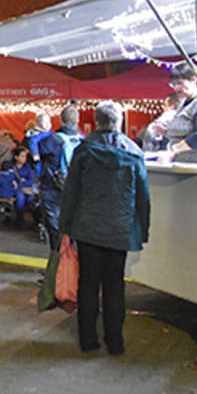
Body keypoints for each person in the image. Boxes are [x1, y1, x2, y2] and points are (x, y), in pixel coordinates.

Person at [60, 101, 150, 356]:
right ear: (119, 121)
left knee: (87, 284)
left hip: (87, 228)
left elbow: (71, 192)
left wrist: (65, 225)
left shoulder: (84, 151)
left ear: (97, 121)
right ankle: (115, 341)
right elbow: (142, 197)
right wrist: (143, 229)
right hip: (119, 229)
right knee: (115, 285)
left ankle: (88, 340)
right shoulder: (134, 153)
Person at [39, 105, 84, 250]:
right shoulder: (83, 141)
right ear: (77, 121)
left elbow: (38, 154)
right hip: (76, 188)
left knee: (56, 229)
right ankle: (72, 265)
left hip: (53, 188)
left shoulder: (52, 140)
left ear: (61, 120)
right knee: (74, 226)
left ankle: (57, 264)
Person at [165, 63, 197, 161]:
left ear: (193, 80)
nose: (176, 88)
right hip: (182, 162)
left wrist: (174, 150)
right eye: (173, 84)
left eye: (180, 83)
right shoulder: (184, 103)